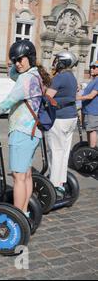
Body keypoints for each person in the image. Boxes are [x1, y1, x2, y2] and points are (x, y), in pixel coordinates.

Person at [0, 40, 46, 219]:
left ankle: (17, 217)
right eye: (14, 60)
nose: (17, 63)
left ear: (30, 57)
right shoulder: (35, 75)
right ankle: (24, 212)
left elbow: (9, 101)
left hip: (22, 132)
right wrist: (15, 61)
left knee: (18, 177)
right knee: (26, 174)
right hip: (33, 132)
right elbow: (12, 73)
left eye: (20, 59)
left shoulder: (26, 79)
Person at [45, 51, 79, 197]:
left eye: (57, 60)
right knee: (64, 152)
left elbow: (48, 97)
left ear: (63, 62)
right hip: (71, 117)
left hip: (59, 118)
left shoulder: (59, 78)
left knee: (55, 151)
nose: (55, 62)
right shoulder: (72, 77)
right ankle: (61, 181)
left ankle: (54, 184)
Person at [77, 60, 98, 148]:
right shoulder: (93, 80)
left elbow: (91, 96)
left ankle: (92, 151)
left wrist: (76, 98)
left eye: (94, 67)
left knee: (92, 129)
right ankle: (90, 149)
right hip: (88, 110)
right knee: (89, 130)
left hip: (93, 111)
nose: (91, 69)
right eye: (90, 67)